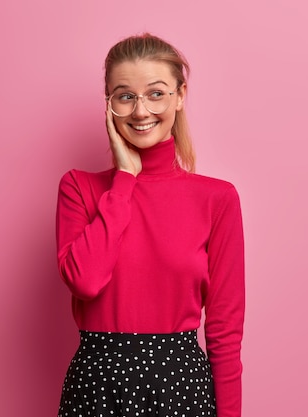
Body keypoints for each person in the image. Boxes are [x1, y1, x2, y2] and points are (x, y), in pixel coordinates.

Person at [55, 33, 245, 417]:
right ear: (109, 105)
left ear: (179, 95)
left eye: (156, 93)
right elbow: (85, 281)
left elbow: (225, 333)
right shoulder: (78, 187)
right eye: (125, 96)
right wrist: (125, 179)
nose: (141, 111)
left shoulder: (217, 199)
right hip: (97, 388)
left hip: (181, 388)